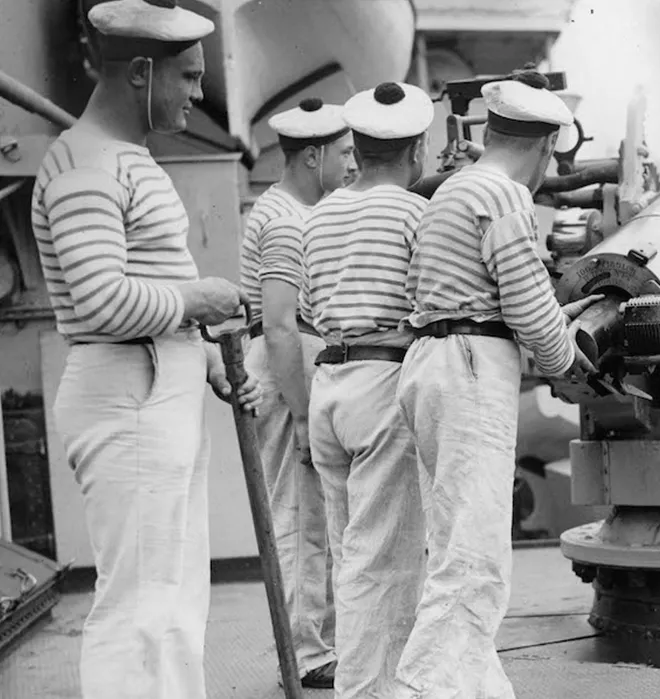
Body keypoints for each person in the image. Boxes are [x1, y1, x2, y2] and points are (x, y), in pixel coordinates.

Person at [30, 1, 262, 697]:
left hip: (155, 384)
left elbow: (144, 286)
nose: (197, 92)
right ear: (140, 72)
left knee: (171, 602)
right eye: (188, 76)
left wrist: (207, 359)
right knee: (138, 606)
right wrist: (200, 301)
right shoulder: (85, 166)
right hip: (126, 394)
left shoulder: (123, 160)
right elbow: (102, 301)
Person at [391, 69, 599, 699]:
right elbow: (531, 313)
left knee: (454, 545)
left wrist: (543, 329)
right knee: (475, 562)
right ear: (543, 147)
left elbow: (487, 298)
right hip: (470, 372)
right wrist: (569, 366)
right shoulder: (505, 195)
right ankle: (423, 689)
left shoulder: (454, 190)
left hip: (433, 362)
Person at [300, 81, 433, 698]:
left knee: (348, 551)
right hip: (383, 382)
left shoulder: (318, 214)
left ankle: (363, 682)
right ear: (418, 150)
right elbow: (430, 305)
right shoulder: (413, 212)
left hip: (328, 385)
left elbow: (306, 310)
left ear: (354, 144)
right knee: (386, 558)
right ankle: (372, 692)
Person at [239, 97, 352, 689]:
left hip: (295, 361)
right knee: (299, 517)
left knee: (312, 515)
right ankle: (305, 656)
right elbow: (280, 325)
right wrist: (305, 414)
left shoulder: (296, 210)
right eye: (345, 153)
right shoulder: (285, 218)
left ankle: (314, 645)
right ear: (313, 155)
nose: (352, 164)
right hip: (287, 368)